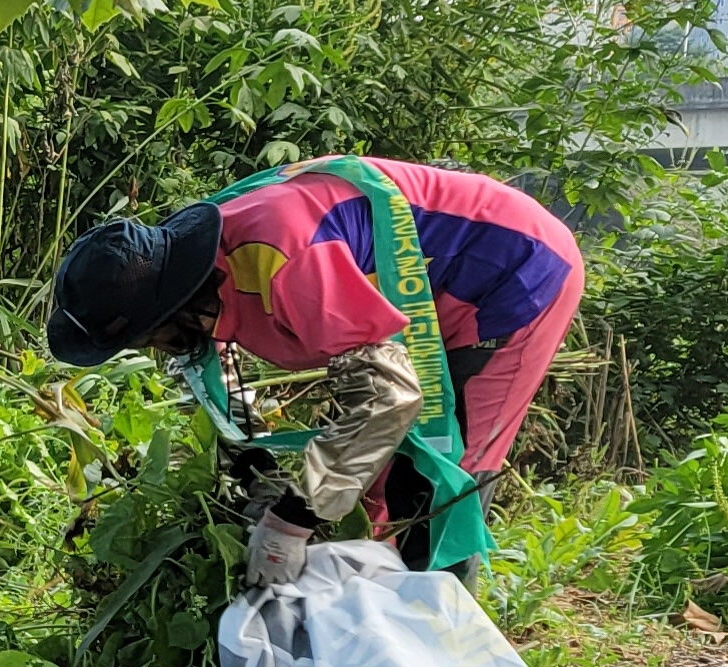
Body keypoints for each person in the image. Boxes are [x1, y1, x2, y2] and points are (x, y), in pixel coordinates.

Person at [43, 155, 586, 585]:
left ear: (168, 311)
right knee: (373, 483)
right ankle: (369, 621)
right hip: (420, 299)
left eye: (149, 338)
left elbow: (387, 399)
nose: (161, 350)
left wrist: (292, 518)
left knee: (435, 482)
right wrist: (255, 480)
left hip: (510, 273)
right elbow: (223, 391)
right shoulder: (190, 270)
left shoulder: (285, 258)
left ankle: (439, 666)